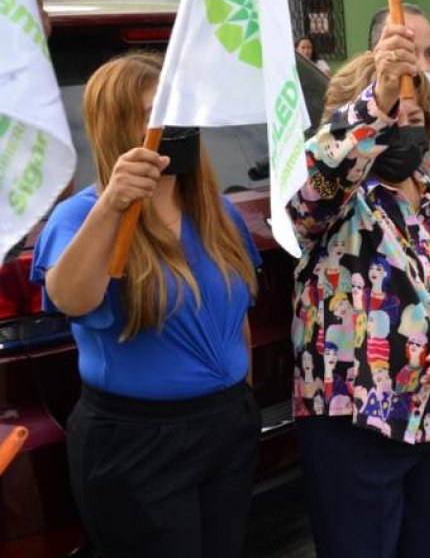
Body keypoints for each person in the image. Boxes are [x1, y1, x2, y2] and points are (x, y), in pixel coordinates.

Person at [287, 22, 430, 558]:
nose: (403, 130)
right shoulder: (333, 198)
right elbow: (321, 179)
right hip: (356, 425)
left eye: (413, 118)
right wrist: (381, 94)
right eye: (390, 119)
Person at [32, 52, 262, 557]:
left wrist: (239, 406)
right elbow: (70, 298)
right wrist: (115, 204)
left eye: (178, 108)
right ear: (118, 128)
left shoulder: (217, 213)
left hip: (224, 430)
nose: (172, 124)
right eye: (152, 114)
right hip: (138, 446)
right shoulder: (81, 217)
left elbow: (235, 318)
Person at [367, 4, 430, 194]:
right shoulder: (348, 139)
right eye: (408, 52)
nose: (423, 66)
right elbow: (320, 192)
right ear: (374, 59)